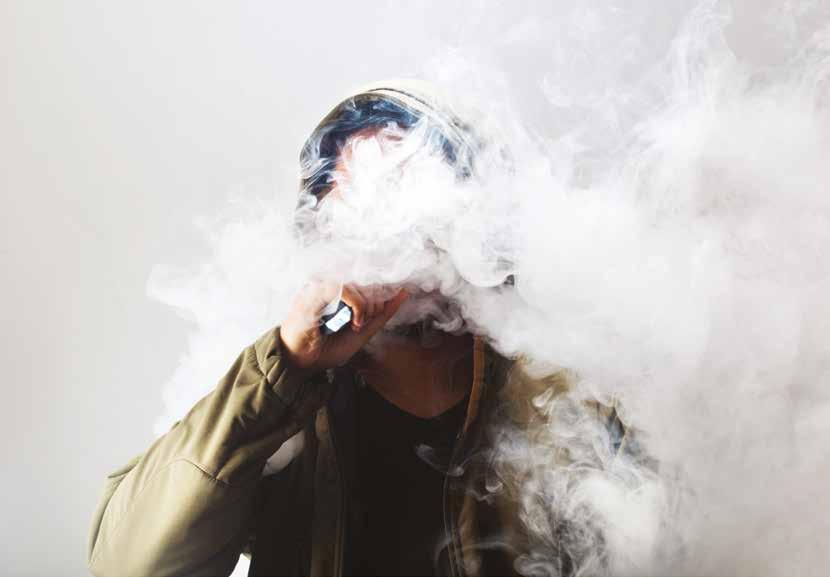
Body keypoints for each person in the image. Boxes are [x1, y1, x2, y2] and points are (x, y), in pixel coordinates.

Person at [87, 81, 632, 577]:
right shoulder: (279, 399)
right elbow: (128, 566)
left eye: (404, 193)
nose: (382, 233)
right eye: (355, 206)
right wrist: (284, 366)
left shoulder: (561, 404)